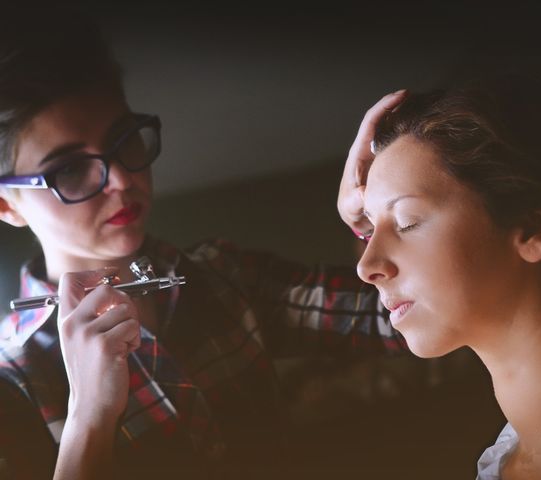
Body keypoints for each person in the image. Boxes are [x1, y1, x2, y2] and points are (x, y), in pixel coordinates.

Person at [0, 8, 410, 480]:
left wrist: (377, 225)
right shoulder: (13, 380)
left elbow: (399, 321)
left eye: (125, 141)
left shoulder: (222, 275)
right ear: (7, 206)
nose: (121, 180)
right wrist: (89, 418)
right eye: (68, 169)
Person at [337, 74, 541, 479]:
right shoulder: (497, 470)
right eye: (369, 230)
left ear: (531, 228)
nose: (365, 266)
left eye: (407, 222)